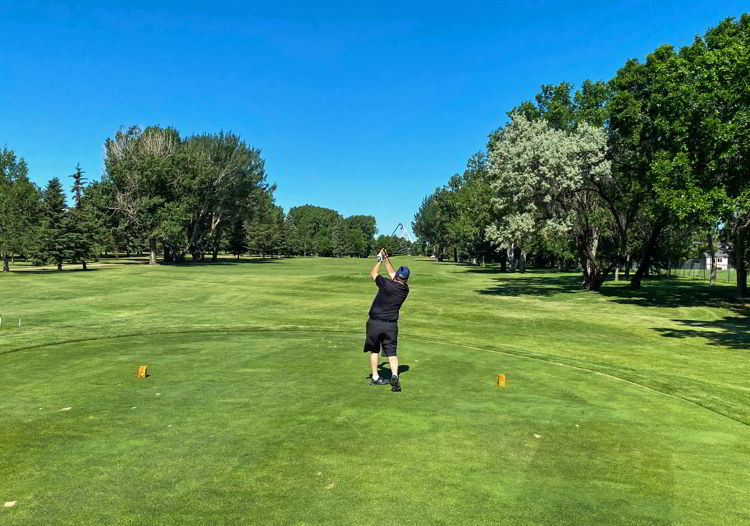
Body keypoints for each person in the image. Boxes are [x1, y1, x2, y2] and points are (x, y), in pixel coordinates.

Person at [364, 248, 410, 392]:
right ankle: (395, 375)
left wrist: (379, 259)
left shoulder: (385, 283)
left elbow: (373, 274)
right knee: (391, 352)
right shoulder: (404, 289)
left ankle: (376, 377)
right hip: (391, 326)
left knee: (375, 350)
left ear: (396, 276)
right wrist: (386, 258)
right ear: (406, 278)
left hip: (375, 323)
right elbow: (392, 273)